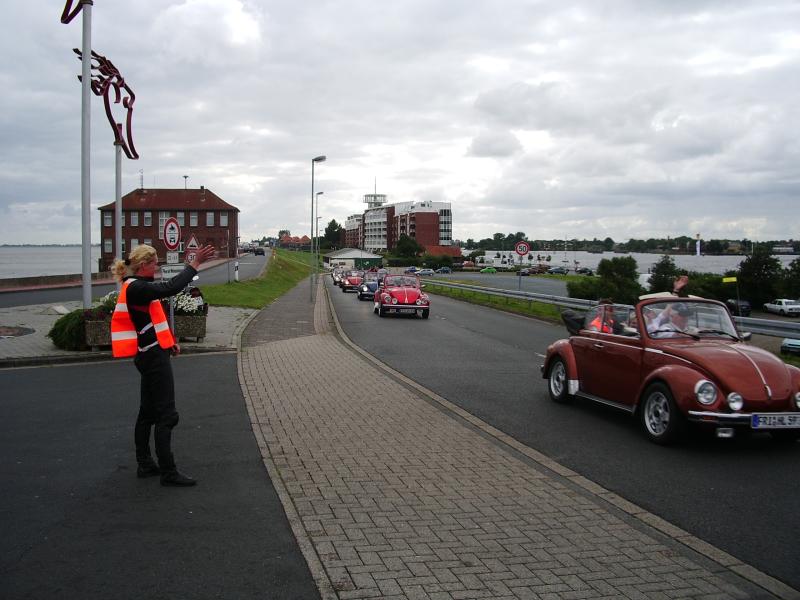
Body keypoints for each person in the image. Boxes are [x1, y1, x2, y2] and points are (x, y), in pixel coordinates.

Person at [110, 243, 216, 487]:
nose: (157, 266)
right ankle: (168, 471)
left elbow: (152, 320)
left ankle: (145, 464)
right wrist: (195, 263)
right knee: (167, 415)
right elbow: (171, 288)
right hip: (153, 359)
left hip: (149, 352)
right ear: (144, 265)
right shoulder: (137, 287)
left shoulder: (135, 286)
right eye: (154, 263)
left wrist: (168, 342)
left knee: (147, 412)